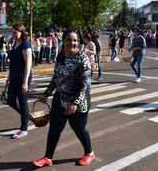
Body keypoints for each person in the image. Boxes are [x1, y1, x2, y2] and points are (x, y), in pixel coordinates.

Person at [33, 29, 94, 167]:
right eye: (68, 40)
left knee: (79, 128)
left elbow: (83, 83)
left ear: (78, 42)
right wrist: (46, 94)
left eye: (74, 40)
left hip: (78, 102)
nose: (71, 43)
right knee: (54, 128)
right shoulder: (60, 56)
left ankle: (89, 153)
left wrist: (74, 103)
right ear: (63, 41)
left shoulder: (82, 58)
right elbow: (56, 78)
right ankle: (48, 157)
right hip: (59, 99)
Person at [6, 23, 32, 139]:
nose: (13, 35)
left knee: (22, 102)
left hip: (23, 77)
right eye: (12, 32)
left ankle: (23, 128)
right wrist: (9, 77)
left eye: (15, 32)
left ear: (22, 32)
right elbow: (12, 63)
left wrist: (25, 82)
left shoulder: (25, 44)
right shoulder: (15, 43)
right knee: (10, 100)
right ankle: (26, 117)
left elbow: (28, 64)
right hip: (14, 76)